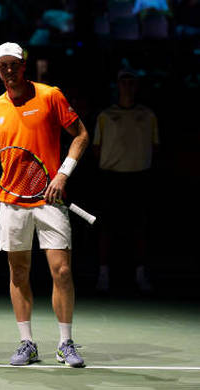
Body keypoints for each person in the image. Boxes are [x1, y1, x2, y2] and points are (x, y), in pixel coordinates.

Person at [0, 42, 89, 368]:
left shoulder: (49, 95)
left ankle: (65, 343)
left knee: (63, 271)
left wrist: (62, 175)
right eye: (3, 65)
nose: (8, 70)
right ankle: (26, 342)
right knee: (19, 274)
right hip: (11, 204)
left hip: (50, 200)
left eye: (14, 64)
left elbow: (81, 135)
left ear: (23, 64)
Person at [93, 67, 158, 293]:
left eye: (131, 81)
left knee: (140, 228)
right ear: (118, 85)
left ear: (136, 85)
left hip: (139, 178)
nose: (127, 85)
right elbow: (96, 149)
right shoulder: (105, 116)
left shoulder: (149, 115)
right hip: (112, 179)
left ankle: (140, 275)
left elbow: (155, 146)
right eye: (123, 81)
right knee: (107, 229)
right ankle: (103, 275)